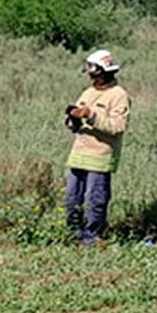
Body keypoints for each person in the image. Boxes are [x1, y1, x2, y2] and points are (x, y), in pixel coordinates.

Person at [63, 49, 130, 245]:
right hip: (79, 153)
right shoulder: (88, 92)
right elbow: (74, 124)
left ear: (104, 71)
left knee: (95, 199)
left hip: (100, 156)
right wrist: (73, 118)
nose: (90, 75)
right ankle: (73, 234)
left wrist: (91, 116)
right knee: (71, 198)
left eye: (93, 70)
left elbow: (118, 126)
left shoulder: (119, 95)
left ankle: (92, 237)